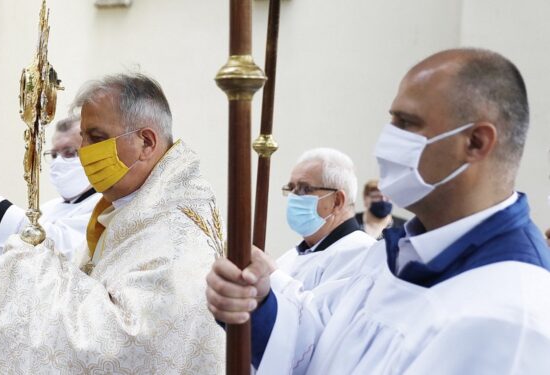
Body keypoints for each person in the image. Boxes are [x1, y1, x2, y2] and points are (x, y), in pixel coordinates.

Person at [206, 48, 550, 374]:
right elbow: (322, 348)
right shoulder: (395, 254)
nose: (386, 141)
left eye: (406, 124)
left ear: (475, 142)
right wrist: (260, 302)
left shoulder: (512, 318)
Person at [0, 73, 225, 374]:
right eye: (82, 138)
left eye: (96, 137)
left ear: (146, 143)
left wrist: (29, 269)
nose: (86, 152)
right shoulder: (131, 209)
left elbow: (130, 344)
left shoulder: (175, 231)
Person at [0, 116, 102, 258]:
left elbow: (59, 250)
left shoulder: (103, 207)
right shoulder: (48, 208)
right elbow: (18, 252)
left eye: (69, 152)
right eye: (54, 155)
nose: (58, 162)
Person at [273, 148, 375, 292]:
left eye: (304, 189)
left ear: (337, 201)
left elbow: (316, 313)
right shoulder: (290, 257)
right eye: (291, 188)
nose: (293, 197)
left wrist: (273, 277)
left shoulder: (362, 255)